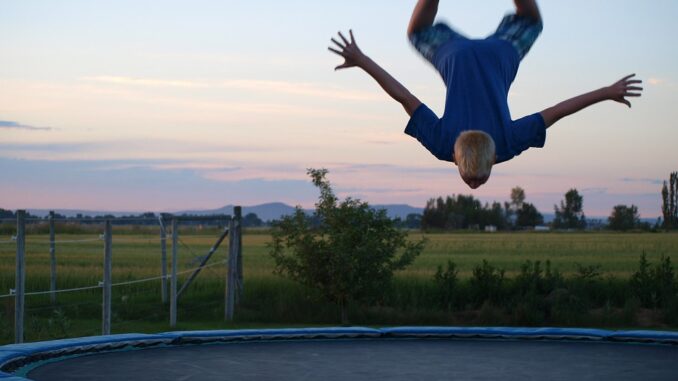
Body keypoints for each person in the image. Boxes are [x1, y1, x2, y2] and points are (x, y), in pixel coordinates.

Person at [329, 0, 643, 189]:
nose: (475, 185)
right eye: (478, 179)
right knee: (416, 32)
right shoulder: (442, 144)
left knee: (532, 20)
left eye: (472, 180)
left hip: (499, 55)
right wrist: (363, 60)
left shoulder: (507, 144)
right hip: (455, 55)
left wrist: (606, 92)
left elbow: (557, 111)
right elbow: (405, 98)